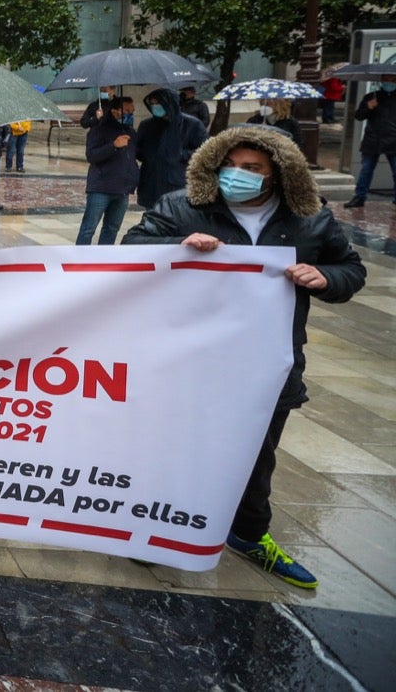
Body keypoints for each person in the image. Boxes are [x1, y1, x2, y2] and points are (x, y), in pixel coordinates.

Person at [124, 127, 366, 589]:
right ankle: (155, 527)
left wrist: (325, 278)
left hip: (267, 366)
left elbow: (351, 269)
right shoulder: (181, 206)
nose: (239, 175)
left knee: (256, 457)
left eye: (252, 169)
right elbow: (131, 252)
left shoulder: (311, 218)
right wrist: (179, 249)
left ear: (278, 173)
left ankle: (250, 535)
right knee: (176, 446)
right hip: (191, 361)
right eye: (231, 166)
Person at [76, 95, 138, 245]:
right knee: (88, 228)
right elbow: (91, 155)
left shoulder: (130, 131)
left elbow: (134, 155)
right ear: (116, 111)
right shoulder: (99, 128)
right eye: (127, 111)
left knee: (112, 228)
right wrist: (113, 146)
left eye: (133, 111)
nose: (131, 114)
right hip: (101, 187)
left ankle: (104, 259)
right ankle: (79, 261)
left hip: (122, 189)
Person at [135, 87, 207, 209]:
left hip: (179, 183)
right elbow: (139, 150)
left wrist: (179, 154)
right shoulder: (147, 125)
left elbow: (205, 152)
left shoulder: (192, 125)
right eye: (152, 104)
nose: (155, 106)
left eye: (158, 103)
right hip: (152, 183)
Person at [345, 74, 396, 209]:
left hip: (393, 140)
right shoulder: (372, 97)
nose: (389, 83)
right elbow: (359, 116)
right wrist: (369, 107)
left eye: (392, 80)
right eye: (386, 80)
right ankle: (359, 197)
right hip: (373, 139)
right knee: (366, 169)